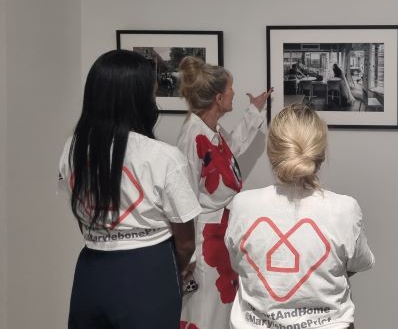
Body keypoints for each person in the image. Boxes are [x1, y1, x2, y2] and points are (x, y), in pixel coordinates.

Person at [58, 50, 201, 329]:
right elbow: (185, 242)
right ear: (139, 98)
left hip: (91, 269)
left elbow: (82, 213)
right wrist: (173, 269)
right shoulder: (163, 156)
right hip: (147, 271)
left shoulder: (73, 148)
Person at [225, 103, 374, 329]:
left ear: (271, 151)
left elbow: (239, 265)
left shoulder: (242, 206)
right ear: (321, 153)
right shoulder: (345, 209)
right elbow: (360, 262)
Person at [177, 56, 273, 329]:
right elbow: (183, 199)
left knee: (220, 316)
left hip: (221, 240)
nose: (234, 93)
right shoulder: (192, 137)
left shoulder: (211, 132)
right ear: (219, 99)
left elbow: (235, 148)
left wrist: (255, 110)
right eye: (231, 89)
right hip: (203, 248)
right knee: (205, 316)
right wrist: (189, 258)